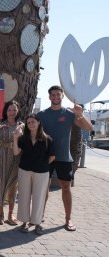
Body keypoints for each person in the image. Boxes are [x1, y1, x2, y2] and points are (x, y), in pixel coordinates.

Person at [37, 85, 92, 231]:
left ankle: (68, 220)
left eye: (58, 95)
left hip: (64, 157)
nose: (55, 97)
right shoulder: (42, 114)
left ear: (62, 96)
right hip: (46, 157)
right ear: (49, 97)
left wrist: (80, 114)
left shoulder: (69, 114)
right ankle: (39, 215)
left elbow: (89, 127)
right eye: (53, 95)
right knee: (44, 187)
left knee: (66, 187)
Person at [13, 114, 55, 235]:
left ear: (38, 122)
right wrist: (15, 138)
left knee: (39, 198)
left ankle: (37, 223)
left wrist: (42, 164)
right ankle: (24, 222)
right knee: (24, 197)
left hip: (41, 172)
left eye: (33, 122)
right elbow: (16, 153)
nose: (31, 124)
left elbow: (52, 156)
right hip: (24, 170)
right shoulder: (23, 138)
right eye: (29, 122)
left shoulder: (47, 139)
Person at [0, 100, 24, 225]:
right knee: (0, 185)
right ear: (6, 111)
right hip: (1, 158)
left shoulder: (21, 126)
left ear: (18, 111)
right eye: (9, 110)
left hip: (16, 159)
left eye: (14, 110)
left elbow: (22, 143)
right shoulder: (0, 124)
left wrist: (12, 145)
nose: (11, 112)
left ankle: (11, 214)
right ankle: (0, 214)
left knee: (13, 187)